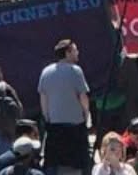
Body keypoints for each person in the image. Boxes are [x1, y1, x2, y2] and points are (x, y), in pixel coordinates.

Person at [38, 39, 91, 175]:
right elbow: (83, 97)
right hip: (75, 126)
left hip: (54, 126)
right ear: (67, 53)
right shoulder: (75, 71)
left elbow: (43, 98)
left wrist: (47, 117)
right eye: (75, 50)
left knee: (54, 163)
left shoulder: (46, 72)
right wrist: (86, 114)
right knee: (76, 166)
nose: (77, 53)